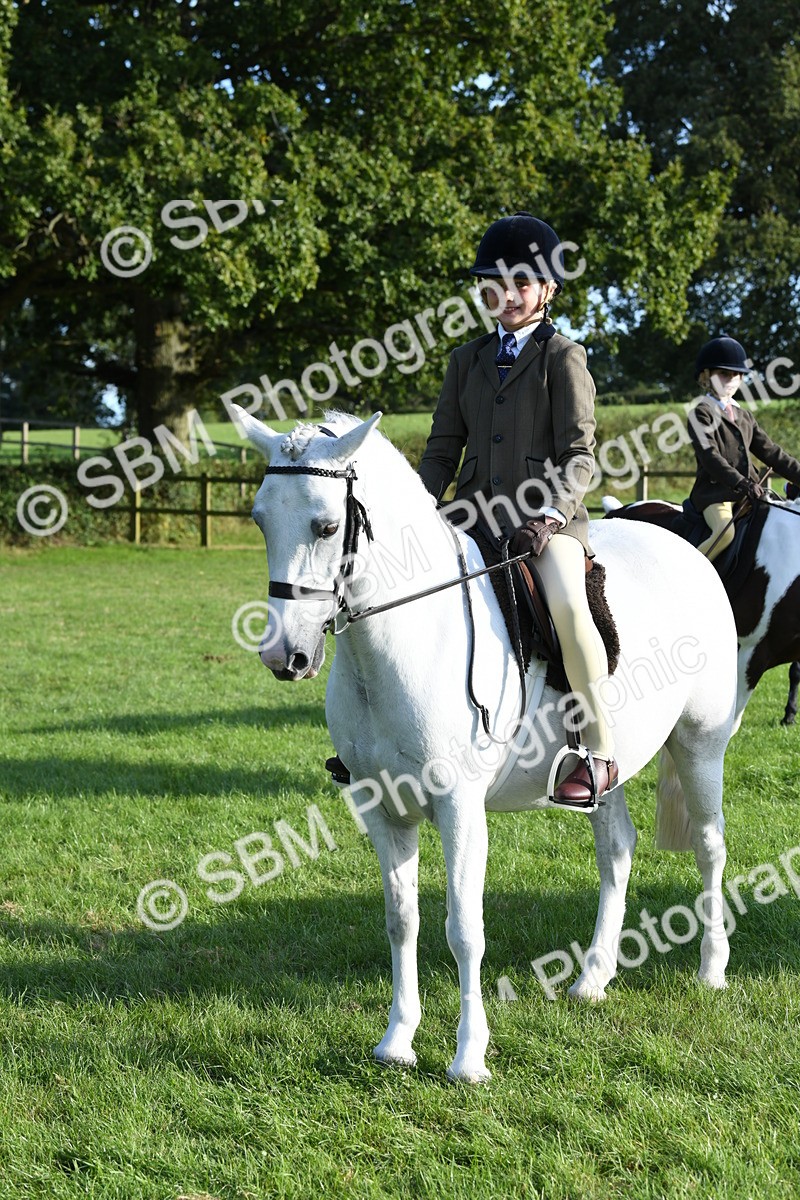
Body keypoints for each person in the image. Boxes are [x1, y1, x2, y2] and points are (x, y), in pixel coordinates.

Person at [418, 212, 617, 809]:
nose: (506, 295)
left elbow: (580, 453)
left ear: (548, 289)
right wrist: (418, 507)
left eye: (521, 284)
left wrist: (554, 513)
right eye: (494, 284)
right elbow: (441, 449)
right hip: (474, 514)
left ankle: (597, 748)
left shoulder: (563, 356)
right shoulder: (464, 361)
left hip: (543, 521)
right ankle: (389, 740)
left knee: (564, 599)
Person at [688, 336, 800, 560]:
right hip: (715, 494)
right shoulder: (701, 413)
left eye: (735, 375)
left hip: (748, 493)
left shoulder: (743, 415)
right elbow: (711, 457)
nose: (730, 380)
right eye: (723, 374)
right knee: (724, 533)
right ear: (706, 376)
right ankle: (687, 575)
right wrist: (740, 482)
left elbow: (771, 451)